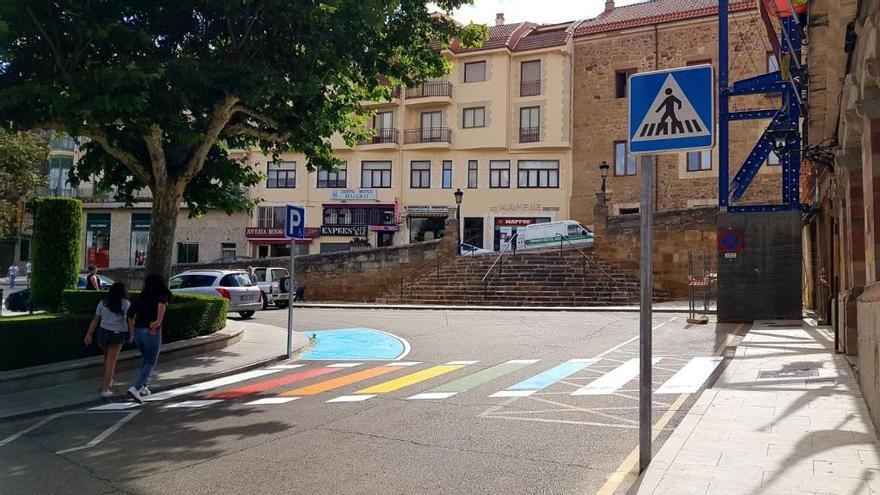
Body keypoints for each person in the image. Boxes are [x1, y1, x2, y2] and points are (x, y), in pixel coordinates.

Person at [126, 274, 170, 403]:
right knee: (151, 361)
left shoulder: (141, 297)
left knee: (145, 360)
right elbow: (162, 304)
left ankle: (144, 386)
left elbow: (129, 314)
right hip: (152, 331)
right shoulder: (161, 296)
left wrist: (131, 331)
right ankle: (136, 387)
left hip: (138, 330)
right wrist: (158, 321)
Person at [83, 283, 133, 398]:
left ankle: (107, 382)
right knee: (111, 361)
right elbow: (130, 320)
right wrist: (131, 334)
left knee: (107, 359)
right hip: (117, 334)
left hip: (103, 333)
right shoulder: (125, 304)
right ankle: (106, 389)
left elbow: (96, 319)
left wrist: (89, 334)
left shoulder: (103, 302)